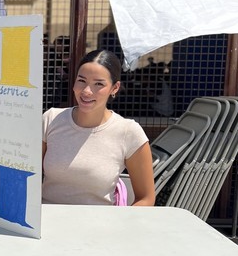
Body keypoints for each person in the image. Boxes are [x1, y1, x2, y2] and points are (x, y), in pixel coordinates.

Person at [42, 49, 155, 206]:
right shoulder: (51, 119)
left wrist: (122, 226)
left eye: (99, 84)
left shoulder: (129, 132)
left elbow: (146, 198)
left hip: (100, 227)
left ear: (114, 88)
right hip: (47, 223)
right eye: (81, 81)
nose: (87, 91)